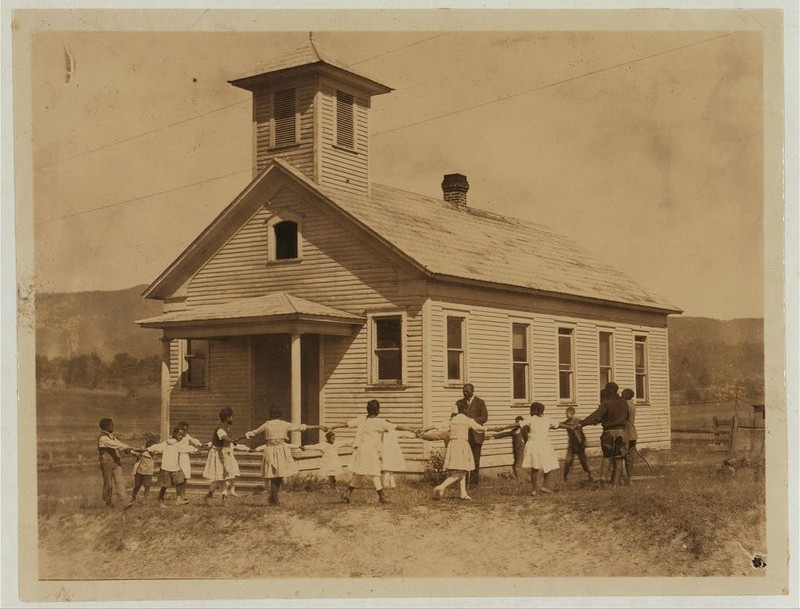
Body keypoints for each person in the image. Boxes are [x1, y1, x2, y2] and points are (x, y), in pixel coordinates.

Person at [328, 400, 418, 504]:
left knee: (359, 473)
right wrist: (412, 429)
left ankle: (346, 494)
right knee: (374, 472)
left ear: (368, 410)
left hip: (361, 450)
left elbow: (345, 424)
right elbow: (397, 427)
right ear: (377, 410)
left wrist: (333, 426)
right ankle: (382, 496)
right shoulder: (380, 422)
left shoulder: (361, 419)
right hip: (370, 451)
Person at [422, 403, 503, 501]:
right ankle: (441, 487)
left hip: (453, 445)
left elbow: (437, 426)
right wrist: (494, 429)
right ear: (464, 410)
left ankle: (463, 493)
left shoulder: (451, 421)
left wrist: (424, 430)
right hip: (462, 445)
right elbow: (479, 428)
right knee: (462, 471)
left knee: (460, 471)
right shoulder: (467, 420)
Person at [245, 408, 324, 505]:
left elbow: (254, 433)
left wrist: (243, 436)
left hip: (274, 449)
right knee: (275, 475)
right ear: (279, 415)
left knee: (278, 474)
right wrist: (318, 426)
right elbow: (300, 427)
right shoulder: (278, 424)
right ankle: (275, 499)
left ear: (271, 414)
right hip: (277, 450)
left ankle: (273, 497)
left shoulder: (268, 425)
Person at [578, 381, 630, 485]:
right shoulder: (624, 402)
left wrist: (583, 423)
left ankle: (602, 479)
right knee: (619, 458)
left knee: (607, 456)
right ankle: (615, 484)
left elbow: (596, 417)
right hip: (621, 432)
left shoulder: (606, 403)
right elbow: (627, 417)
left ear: (608, 391)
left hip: (609, 432)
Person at [519, 402, 570, 496]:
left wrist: (502, 428)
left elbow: (517, 424)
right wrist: (571, 427)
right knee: (549, 465)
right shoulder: (547, 419)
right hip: (544, 446)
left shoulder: (531, 419)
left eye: (531, 410)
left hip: (534, 445)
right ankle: (544, 486)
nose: (530, 412)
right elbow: (559, 425)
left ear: (535, 410)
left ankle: (534, 490)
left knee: (535, 467)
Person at [148, 426, 199, 507]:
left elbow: (184, 448)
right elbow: (158, 446)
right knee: (165, 485)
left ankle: (178, 499)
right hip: (166, 468)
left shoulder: (176, 444)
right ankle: (160, 500)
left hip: (175, 467)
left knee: (180, 482)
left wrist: (194, 450)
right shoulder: (167, 443)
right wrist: (150, 449)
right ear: (174, 434)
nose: (181, 437)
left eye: (182, 435)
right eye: (179, 435)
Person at [203, 407, 242, 505]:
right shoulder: (220, 428)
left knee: (225, 477)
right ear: (227, 417)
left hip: (224, 454)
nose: (233, 418)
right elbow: (223, 437)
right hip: (217, 454)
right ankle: (208, 495)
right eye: (232, 416)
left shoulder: (227, 428)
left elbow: (227, 438)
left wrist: (234, 442)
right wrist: (231, 440)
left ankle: (224, 500)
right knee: (218, 478)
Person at [97, 418, 138, 508]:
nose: (113, 427)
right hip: (107, 462)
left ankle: (124, 501)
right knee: (108, 483)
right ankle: (107, 502)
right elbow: (118, 445)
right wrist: (131, 448)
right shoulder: (103, 438)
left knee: (120, 481)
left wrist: (133, 452)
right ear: (107, 426)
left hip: (116, 461)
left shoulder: (111, 436)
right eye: (111, 425)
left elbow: (120, 444)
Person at [456, 383, 488, 486]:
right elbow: (454, 416)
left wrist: (470, 421)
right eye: (463, 391)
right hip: (464, 436)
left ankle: (474, 482)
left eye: (467, 391)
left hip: (476, 436)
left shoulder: (480, 402)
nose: (465, 393)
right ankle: (463, 482)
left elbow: (484, 418)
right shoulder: (459, 403)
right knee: (463, 460)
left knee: (475, 459)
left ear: (472, 391)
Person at [486, 415, 527, 481]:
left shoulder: (524, 429)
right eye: (515, 422)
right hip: (516, 450)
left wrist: (524, 446)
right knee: (515, 465)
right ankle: (520, 479)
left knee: (517, 466)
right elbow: (505, 434)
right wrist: (492, 436)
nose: (516, 423)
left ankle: (521, 480)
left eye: (518, 422)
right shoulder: (514, 431)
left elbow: (527, 439)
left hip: (521, 450)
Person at [562, 406, 593, 483]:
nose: (566, 415)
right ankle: (565, 477)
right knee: (567, 461)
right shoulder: (567, 422)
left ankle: (590, 475)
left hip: (579, 445)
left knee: (584, 461)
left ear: (572, 414)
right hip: (571, 446)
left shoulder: (577, 420)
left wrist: (585, 442)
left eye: (568, 414)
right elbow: (560, 424)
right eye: (566, 414)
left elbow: (583, 428)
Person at [130, 432, 157, 503]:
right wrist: (135, 451)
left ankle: (145, 498)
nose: (153, 451)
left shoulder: (155, 454)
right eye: (152, 449)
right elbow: (133, 452)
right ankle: (134, 496)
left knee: (147, 486)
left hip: (148, 473)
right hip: (140, 472)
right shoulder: (143, 453)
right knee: (137, 485)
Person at [622, 388, 637, 485]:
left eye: (623, 394)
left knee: (619, 456)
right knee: (629, 457)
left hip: (625, 433)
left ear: (626, 395)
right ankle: (630, 479)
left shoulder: (625, 405)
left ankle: (622, 478)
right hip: (632, 434)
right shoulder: (633, 405)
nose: (621, 395)